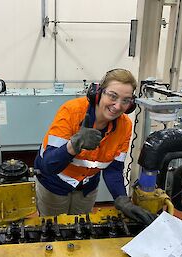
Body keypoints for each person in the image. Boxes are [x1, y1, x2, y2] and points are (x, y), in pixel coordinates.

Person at [34, 68, 137, 216]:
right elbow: (48, 166)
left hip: (87, 189)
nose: (118, 106)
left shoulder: (125, 125)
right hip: (54, 185)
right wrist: (74, 145)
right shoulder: (71, 111)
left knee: (80, 232)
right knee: (53, 232)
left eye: (125, 100)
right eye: (113, 96)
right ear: (98, 93)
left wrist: (122, 200)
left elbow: (113, 169)